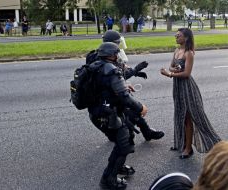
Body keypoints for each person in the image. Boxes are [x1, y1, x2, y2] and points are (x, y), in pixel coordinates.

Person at [88, 42, 148, 189]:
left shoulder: (96, 66)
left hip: (97, 113)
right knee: (124, 145)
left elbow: (105, 88)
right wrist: (141, 107)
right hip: (108, 115)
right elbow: (124, 97)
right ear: (111, 55)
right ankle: (108, 180)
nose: (118, 56)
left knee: (122, 141)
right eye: (116, 54)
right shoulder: (112, 71)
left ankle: (118, 166)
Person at [87, 30, 164, 143]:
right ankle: (131, 136)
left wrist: (129, 79)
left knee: (130, 113)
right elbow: (117, 75)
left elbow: (114, 77)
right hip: (106, 99)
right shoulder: (105, 59)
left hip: (104, 96)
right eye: (117, 43)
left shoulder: (98, 55)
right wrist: (136, 70)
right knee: (131, 112)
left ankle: (145, 132)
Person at [160, 28, 221, 159]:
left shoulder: (189, 53)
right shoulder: (177, 51)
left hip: (187, 88)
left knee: (188, 118)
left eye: (179, 35)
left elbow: (187, 74)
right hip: (177, 87)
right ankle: (181, 143)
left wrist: (170, 74)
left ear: (186, 38)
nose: (176, 36)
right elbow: (172, 66)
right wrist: (173, 69)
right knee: (180, 115)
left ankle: (188, 149)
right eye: (176, 35)